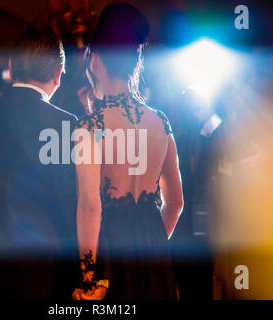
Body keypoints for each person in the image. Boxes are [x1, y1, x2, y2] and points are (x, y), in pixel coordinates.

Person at [72, 3, 183, 300]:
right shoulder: (161, 122)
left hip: (110, 253)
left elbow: (90, 207)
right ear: (135, 63)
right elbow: (175, 203)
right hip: (154, 252)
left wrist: (88, 277)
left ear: (94, 60)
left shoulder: (90, 126)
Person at [0, 29, 78, 299]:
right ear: (58, 74)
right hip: (43, 266)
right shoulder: (65, 124)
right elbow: (68, 198)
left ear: (11, 68)